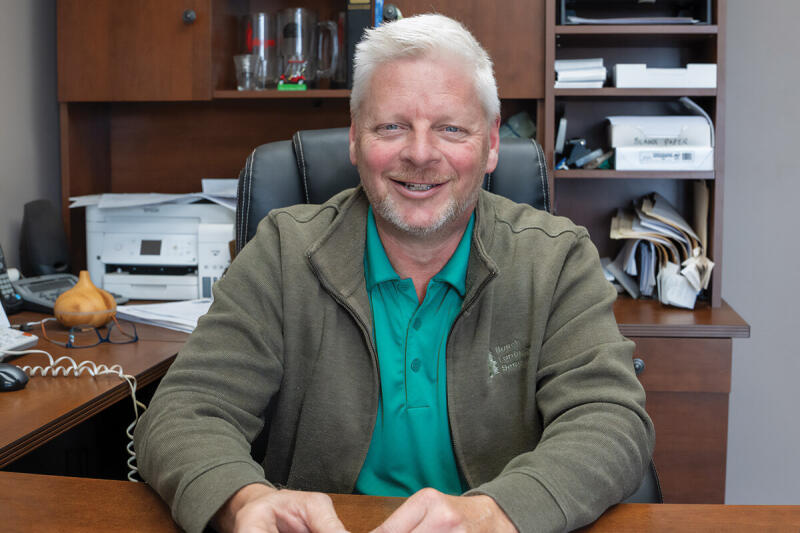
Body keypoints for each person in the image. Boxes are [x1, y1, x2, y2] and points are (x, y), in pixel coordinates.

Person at [134, 14, 654, 533]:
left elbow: (610, 420)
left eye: (450, 128)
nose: (421, 153)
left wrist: (494, 514)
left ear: (492, 143)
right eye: (392, 126)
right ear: (355, 138)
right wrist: (243, 501)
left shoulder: (556, 259)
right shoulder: (282, 252)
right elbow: (186, 410)